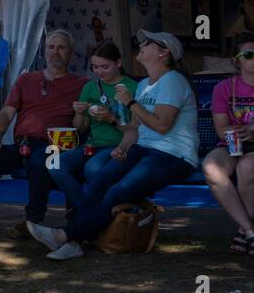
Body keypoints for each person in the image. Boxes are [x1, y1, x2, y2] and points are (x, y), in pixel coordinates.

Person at [28, 30, 200, 259]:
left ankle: (65, 236)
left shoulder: (172, 81)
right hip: (144, 149)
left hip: (173, 155)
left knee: (119, 190)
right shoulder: (144, 85)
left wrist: (130, 103)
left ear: (163, 53)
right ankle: (74, 240)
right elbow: (134, 130)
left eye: (147, 43)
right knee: (100, 180)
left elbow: (162, 126)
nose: (141, 45)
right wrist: (124, 147)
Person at [0, 30, 86, 237]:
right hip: (23, 145)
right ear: (44, 51)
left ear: (71, 52)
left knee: (40, 160)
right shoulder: (26, 80)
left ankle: (32, 222)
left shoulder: (81, 85)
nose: (55, 52)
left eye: (62, 47)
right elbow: (7, 112)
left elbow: (84, 125)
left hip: (56, 147)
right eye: (51, 47)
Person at [49, 42, 136, 217]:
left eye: (105, 67)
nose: (99, 72)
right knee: (54, 164)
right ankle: (89, 211)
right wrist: (79, 113)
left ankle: (91, 214)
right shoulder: (90, 87)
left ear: (118, 63)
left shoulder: (132, 87)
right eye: (95, 67)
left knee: (93, 168)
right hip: (92, 145)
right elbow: (80, 128)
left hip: (118, 145)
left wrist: (110, 118)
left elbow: (135, 129)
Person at [203, 32, 254, 254]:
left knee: (247, 166)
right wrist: (232, 132)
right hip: (233, 144)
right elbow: (221, 128)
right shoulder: (224, 88)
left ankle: (246, 232)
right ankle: (249, 230)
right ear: (237, 59)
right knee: (211, 168)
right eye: (249, 54)